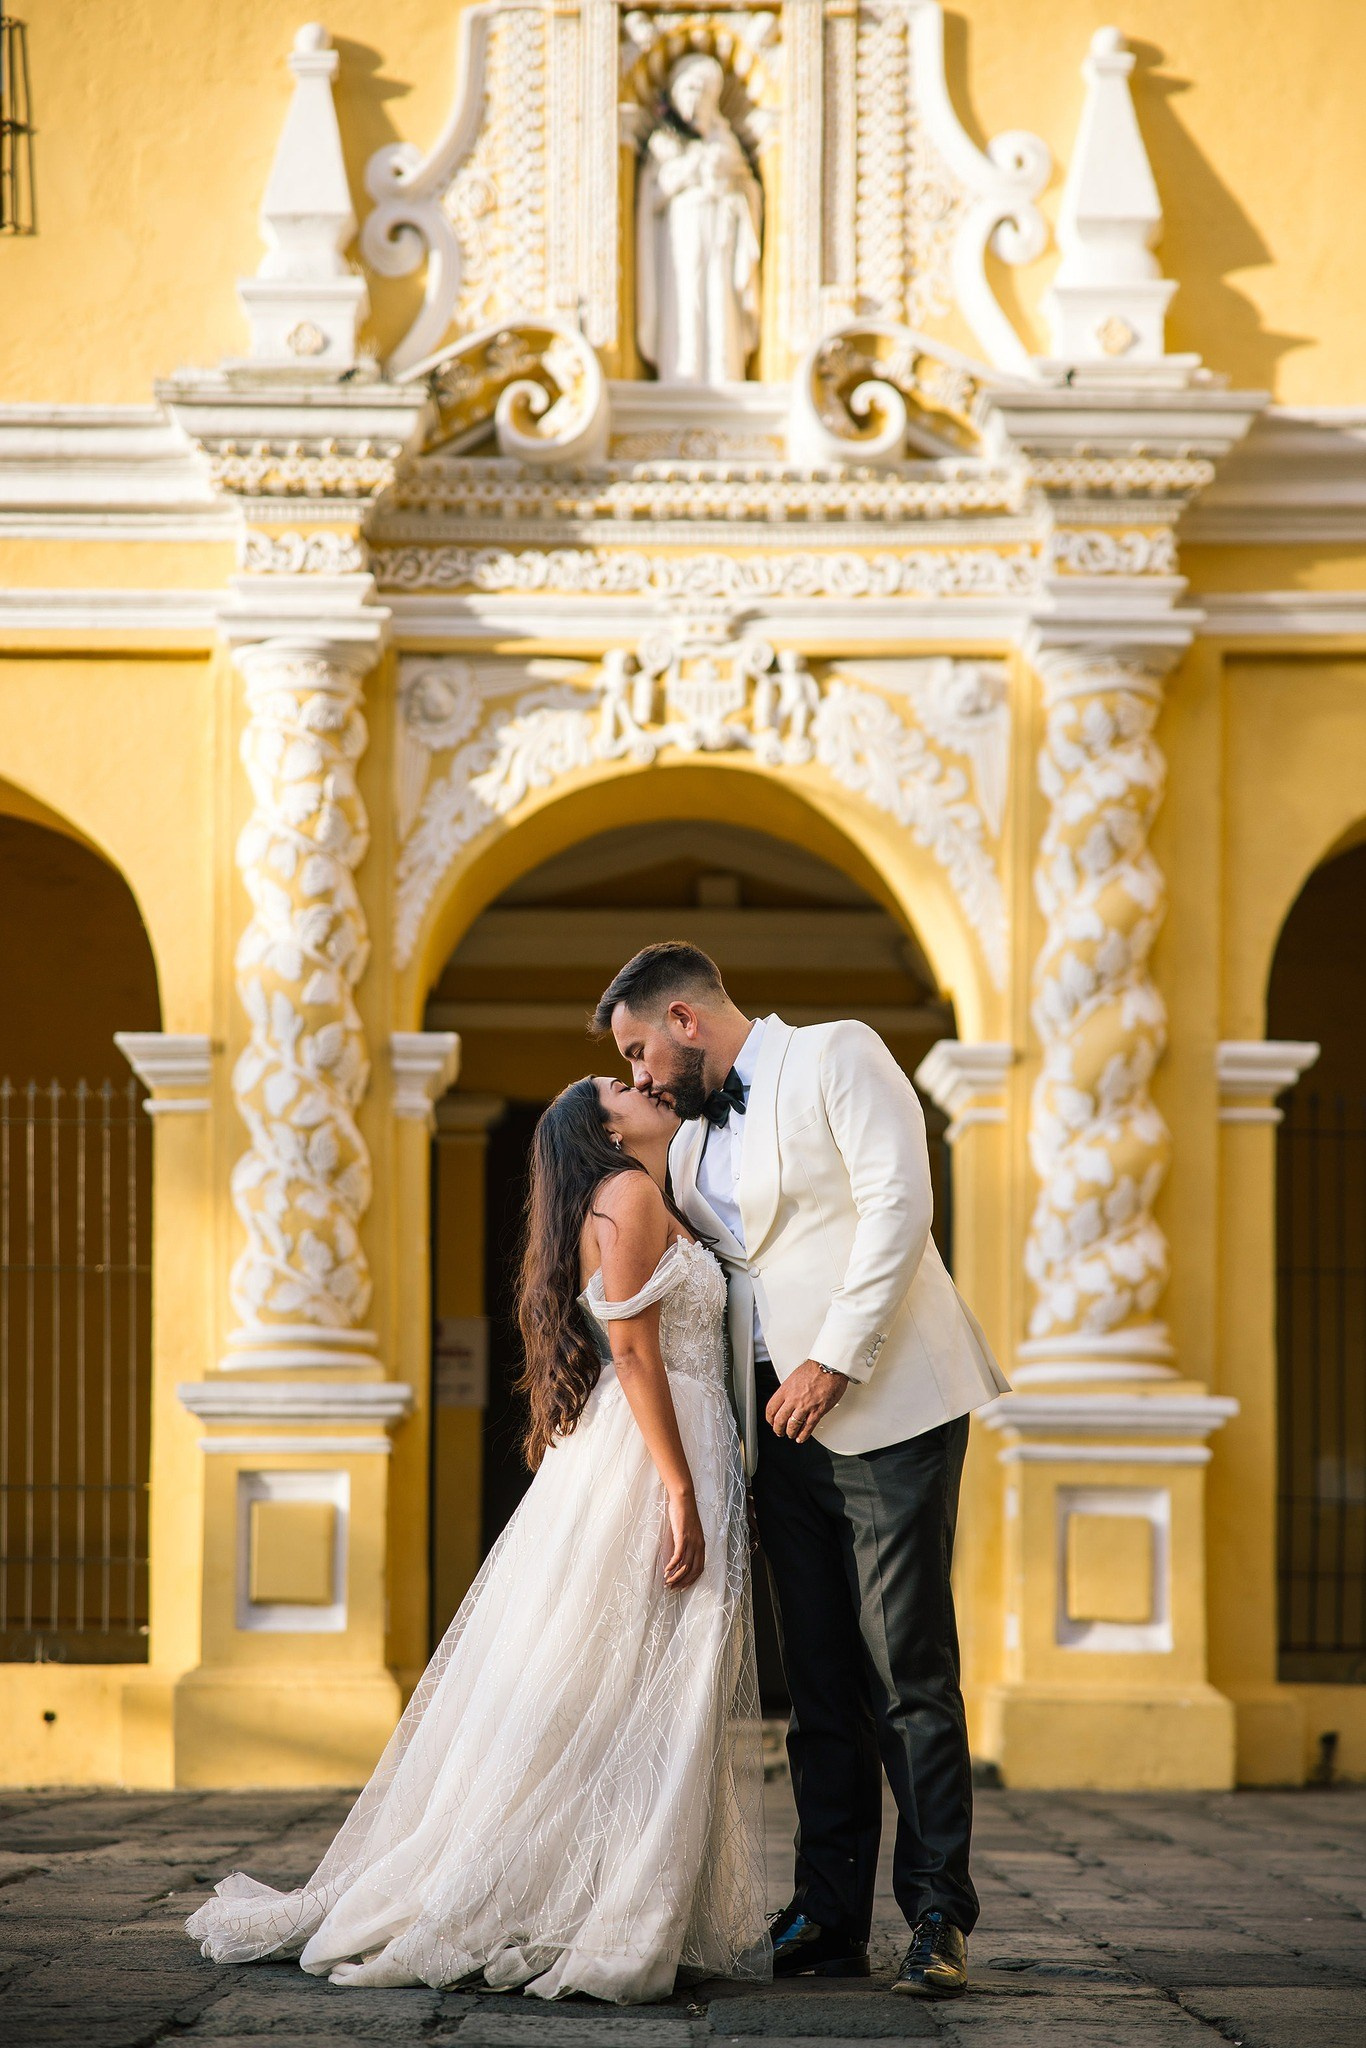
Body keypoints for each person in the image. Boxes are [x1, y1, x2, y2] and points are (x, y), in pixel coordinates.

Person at [185, 1075, 769, 2004]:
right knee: (623, 1677)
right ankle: (591, 1902)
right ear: (604, 1130)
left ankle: (620, 1892)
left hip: (672, 1436)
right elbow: (632, 1351)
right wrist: (680, 1491)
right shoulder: (628, 1197)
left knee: (651, 1678)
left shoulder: (661, 1195)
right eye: (622, 1084)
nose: (645, 1084)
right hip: (652, 1454)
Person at [596, 942, 1010, 2000]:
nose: (640, 1077)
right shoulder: (685, 1155)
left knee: (905, 1668)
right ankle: (827, 1910)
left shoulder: (837, 1054)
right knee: (819, 1680)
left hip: (884, 1400)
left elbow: (898, 1206)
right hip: (771, 1431)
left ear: (685, 1018)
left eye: (640, 1049)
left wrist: (832, 1358)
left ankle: (935, 1916)